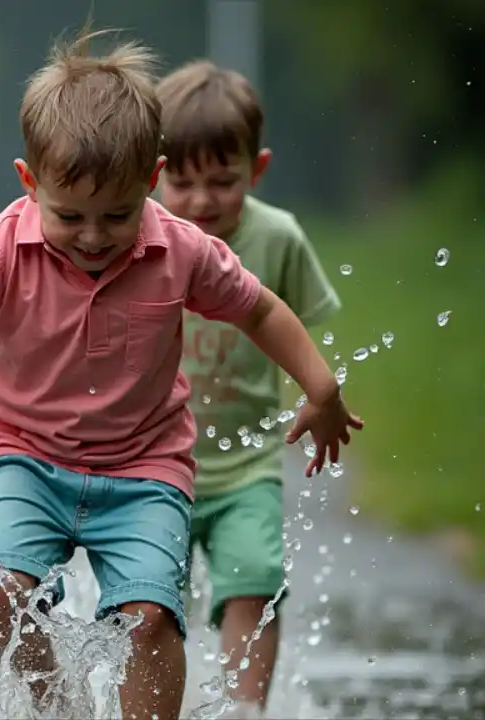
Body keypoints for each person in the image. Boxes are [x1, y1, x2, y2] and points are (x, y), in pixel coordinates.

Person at [0, 28, 362, 720]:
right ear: (30, 181)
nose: (94, 235)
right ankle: (59, 706)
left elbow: (260, 310)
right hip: (25, 458)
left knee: (148, 618)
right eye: (69, 214)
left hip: (144, 472)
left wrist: (322, 390)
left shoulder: (180, 248)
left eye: (118, 214)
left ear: (151, 179)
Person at [155, 59, 341, 716]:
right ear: (154, 174)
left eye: (222, 181)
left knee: (254, 584)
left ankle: (245, 710)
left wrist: (324, 396)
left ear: (256, 169)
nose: (201, 201)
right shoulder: (142, 240)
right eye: (182, 182)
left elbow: (302, 333)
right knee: (150, 605)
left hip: (247, 465)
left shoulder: (277, 238)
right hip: (154, 465)